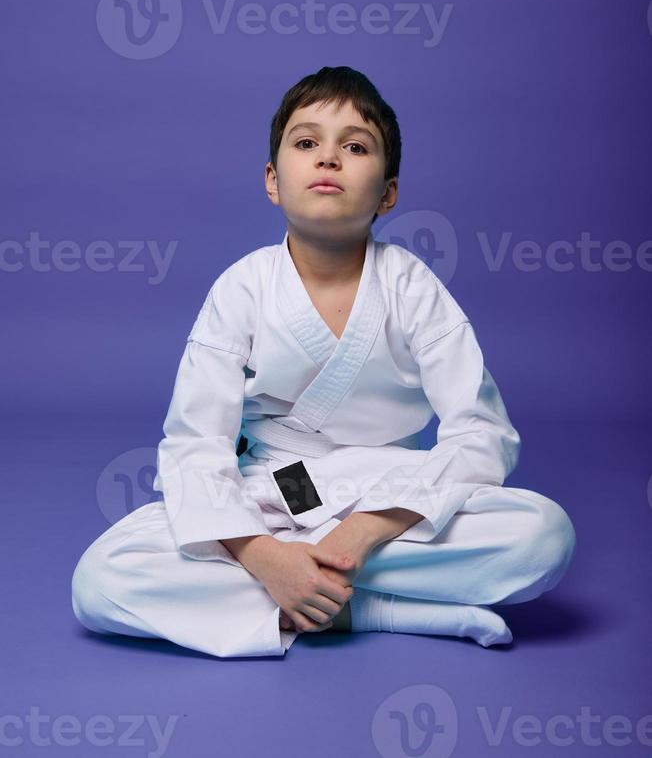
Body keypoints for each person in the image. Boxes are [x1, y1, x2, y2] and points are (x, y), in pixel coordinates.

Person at [71, 65, 576, 658]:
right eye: (307, 142)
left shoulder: (413, 287)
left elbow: (481, 434)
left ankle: (316, 598)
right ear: (272, 180)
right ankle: (362, 608)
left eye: (355, 147)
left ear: (388, 191)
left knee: (543, 537)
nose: (329, 158)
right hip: (269, 495)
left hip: (385, 498)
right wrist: (263, 556)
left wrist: (361, 531)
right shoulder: (242, 289)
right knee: (102, 578)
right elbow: (195, 445)